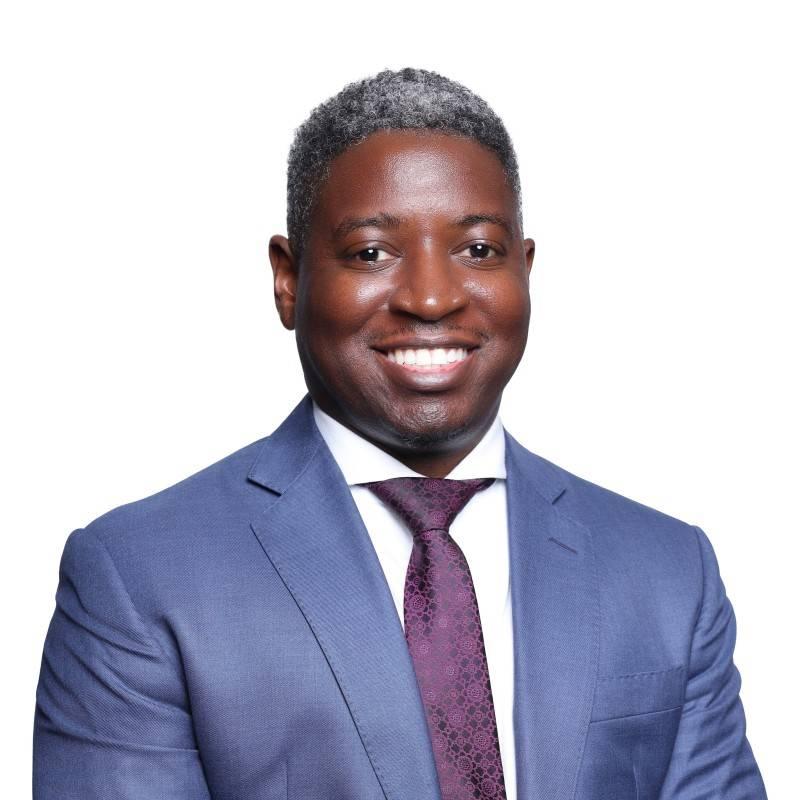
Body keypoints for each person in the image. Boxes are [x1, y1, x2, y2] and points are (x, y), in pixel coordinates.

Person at [33, 68, 766, 800]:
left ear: (526, 271)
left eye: (478, 250)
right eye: (371, 253)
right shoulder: (138, 577)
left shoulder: (668, 570)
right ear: (289, 280)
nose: (432, 297)